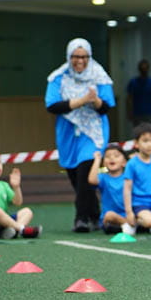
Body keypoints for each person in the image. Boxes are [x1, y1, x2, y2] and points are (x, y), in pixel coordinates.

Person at [45, 38, 116, 233]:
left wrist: (95, 101)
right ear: (69, 57)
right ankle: (94, 215)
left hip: (93, 133)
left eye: (84, 57)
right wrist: (82, 100)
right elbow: (52, 105)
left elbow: (106, 108)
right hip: (68, 134)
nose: (80, 61)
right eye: (76, 56)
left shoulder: (99, 76)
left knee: (86, 175)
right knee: (77, 179)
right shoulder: (58, 77)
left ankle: (81, 219)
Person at [87, 143, 128, 234]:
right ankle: (129, 225)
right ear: (104, 162)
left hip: (129, 214)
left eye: (116, 156)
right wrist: (97, 160)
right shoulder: (103, 177)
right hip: (110, 218)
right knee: (110, 216)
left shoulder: (128, 177)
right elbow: (92, 180)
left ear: (124, 162)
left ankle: (128, 225)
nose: (111, 158)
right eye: (107, 156)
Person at [126, 58, 151, 126]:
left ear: (148, 69)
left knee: (150, 133)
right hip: (137, 113)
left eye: (145, 69)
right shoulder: (133, 82)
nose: (144, 71)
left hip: (150, 113)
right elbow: (129, 99)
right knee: (138, 134)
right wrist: (129, 113)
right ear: (139, 69)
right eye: (142, 69)